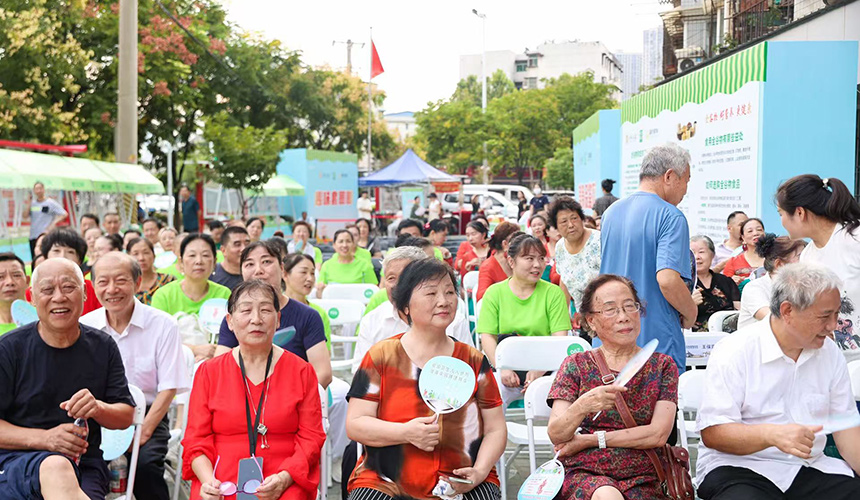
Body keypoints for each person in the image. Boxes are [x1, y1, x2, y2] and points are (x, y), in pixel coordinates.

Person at [695, 263, 860, 499]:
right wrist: (771, 435)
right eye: (824, 316)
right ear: (788, 311)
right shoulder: (735, 350)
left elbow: (846, 429)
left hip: (807, 467)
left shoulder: (829, 352)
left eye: (836, 314)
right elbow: (714, 433)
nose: (833, 326)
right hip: (739, 467)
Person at [346, 258, 507, 500]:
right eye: (431, 293)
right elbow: (355, 423)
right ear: (406, 307)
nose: (443, 301)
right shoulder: (381, 356)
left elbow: (495, 428)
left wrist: (479, 471)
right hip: (386, 479)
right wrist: (405, 433)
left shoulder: (473, 360)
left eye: (450, 292)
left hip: (461, 476)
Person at [0, 258, 134, 500]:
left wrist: (97, 408)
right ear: (31, 297)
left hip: (83, 463)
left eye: (69, 287)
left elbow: (126, 416)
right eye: (48, 290)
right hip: (16, 461)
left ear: (84, 293)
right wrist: (46, 439)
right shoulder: (9, 349)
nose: (59, 297)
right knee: (55, 466)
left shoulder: (103, 346)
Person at [182, 280, 326, 500]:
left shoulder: (301, 371)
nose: (256, 319)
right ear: (230, 321)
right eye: (246, 310)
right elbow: (196, 439)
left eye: (266, 310)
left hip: (285, 473)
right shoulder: (209, 372)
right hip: (220, 473)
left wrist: (284, 478)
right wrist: (208, 481)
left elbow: (311, 438)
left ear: (278, 320)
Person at [547, 274, 679, 500]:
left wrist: (590, 440)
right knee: (607, 495)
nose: (624, 317)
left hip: (644, 474)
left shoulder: (662, 366)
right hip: (585, 472)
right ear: (590, 321)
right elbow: (557, 433)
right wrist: (583, 405)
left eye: (630, 306)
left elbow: (657, 434)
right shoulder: (576, 365)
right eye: (610, 309)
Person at [80, 252, 188, 500]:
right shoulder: (84, 326)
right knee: (81, 465)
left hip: (149, 414)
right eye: (103, 282)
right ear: (93, 287)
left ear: (137, 283)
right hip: (99, 416)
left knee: (146, 466)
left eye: (121, 280)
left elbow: (169, 387)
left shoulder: (163, 325)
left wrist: (144, 432)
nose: (112, 289)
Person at [599, 143, 696, 373]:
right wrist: (691, 312)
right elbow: (668, 279)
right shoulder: (671, 216)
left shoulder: (611, 213)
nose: (685, 190)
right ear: (670, 176)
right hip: (655, 339)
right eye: (686, 181)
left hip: (612, 334)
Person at [214, 241, 332, 387]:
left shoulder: (308, 316)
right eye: (249, 264)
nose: (258, 270)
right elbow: (219, 369)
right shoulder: (235, 318)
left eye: (266, 262)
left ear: (282, 269)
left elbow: (323, 373)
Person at [477, 234, 572, 406]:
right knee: (491, 391)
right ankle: (495, 432)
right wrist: (502, 367)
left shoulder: (553, 293)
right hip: (507, 366)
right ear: (511, 262)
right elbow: (487, 337)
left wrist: (540, 369)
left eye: (541, 258)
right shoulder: (494, 293)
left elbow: (560, 339)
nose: (537, 265)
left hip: (546, 366)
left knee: (557, 389)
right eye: (529, 258)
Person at [778, 174, 860, 360]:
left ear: (800, 213)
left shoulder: (854, 239)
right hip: (833, 358)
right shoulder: (808, 255)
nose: (781, 221)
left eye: (781, 213)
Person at [352, 246, 473, 372]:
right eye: (391, 278)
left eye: (405, 277)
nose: (398, 285)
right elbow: (361, 374)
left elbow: (469, 369)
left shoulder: (453, 321)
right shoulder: (372, 321)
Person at [150, 233, 231, 361]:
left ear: (214, 261)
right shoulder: (164, 295)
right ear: (181, 262)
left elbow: (232, 336)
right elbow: (156, 338)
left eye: (205, 255)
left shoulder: (224, 294)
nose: (199, 261)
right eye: (192, 255)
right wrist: (194, 349)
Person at [736, 234, 806, 330]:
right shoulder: (754, 288)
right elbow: (773, 320)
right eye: (799, 256)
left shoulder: (801, 288)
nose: (806, 261)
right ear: (779, 264)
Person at [549, 196, 601, 316]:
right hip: (584, 316)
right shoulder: (560, 247)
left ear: (582, 219)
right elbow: (564, 281)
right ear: (556, 227)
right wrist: (563, 317)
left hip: (607, 313)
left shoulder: (599, 241)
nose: (571, 225)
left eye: (574, 218)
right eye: (563, 221)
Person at [38, 229, 103, 315]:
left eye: (70, 252)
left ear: (79, 260)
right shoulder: (36, 290)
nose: (62, 256)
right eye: (56, 251)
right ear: (46, 257)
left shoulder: (93, 289)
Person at [690, 235, 740, 332]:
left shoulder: (725, 281)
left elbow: (739, 311)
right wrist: (690, 303)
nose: (697, 257)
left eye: (701, 252)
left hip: (728, 337)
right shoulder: (683, 283)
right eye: (692, 253)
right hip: (697, 340)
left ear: (712, 255)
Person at [316, 229, 378, 295]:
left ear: (353, 244)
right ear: (334, 245)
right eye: (341, 241)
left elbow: (373, 291)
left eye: (348, 241)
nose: (344, 245)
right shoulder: (326, 265)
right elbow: (320, 293)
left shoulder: (364, 265)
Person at [476, 222, 521, 301]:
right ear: (505, 244)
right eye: (517, 240)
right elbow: (481, 297)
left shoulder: (520, 261)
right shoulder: (488, 266)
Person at [127, 237, 176, 306]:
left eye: (146, 253)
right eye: (136, 254)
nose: (141, 258)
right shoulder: (126, 286)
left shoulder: (168, 281)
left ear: (154, 256)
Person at [27, 181, 68, 260]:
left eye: (40, 188)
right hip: (33, 235)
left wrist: (53, 224)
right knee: (35, 258)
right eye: (36, 189)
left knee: (45, 256)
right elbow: (25, 216)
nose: (38, 191)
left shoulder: (50, 203)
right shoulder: (32, 204)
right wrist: (28, 202)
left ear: (43, 189)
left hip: (45, 235)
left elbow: (64, 214)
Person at [721, 217, 765, 284]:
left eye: (759, 230)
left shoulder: (774, 259)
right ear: (743, 238)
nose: (755, 233)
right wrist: (731, 282)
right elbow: (723, 287)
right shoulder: (733, 262)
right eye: (750, 231)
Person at [211, 226, 250, 291]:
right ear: (223, 250)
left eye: (247, 244)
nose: (244, 249)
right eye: (237, 244)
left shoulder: (255, 274)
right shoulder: (212, 275)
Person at [0, 252, 28, 335]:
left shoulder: (43, 319)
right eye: (0, 277)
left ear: (27, 281)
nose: (10, 282)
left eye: (16, 275)